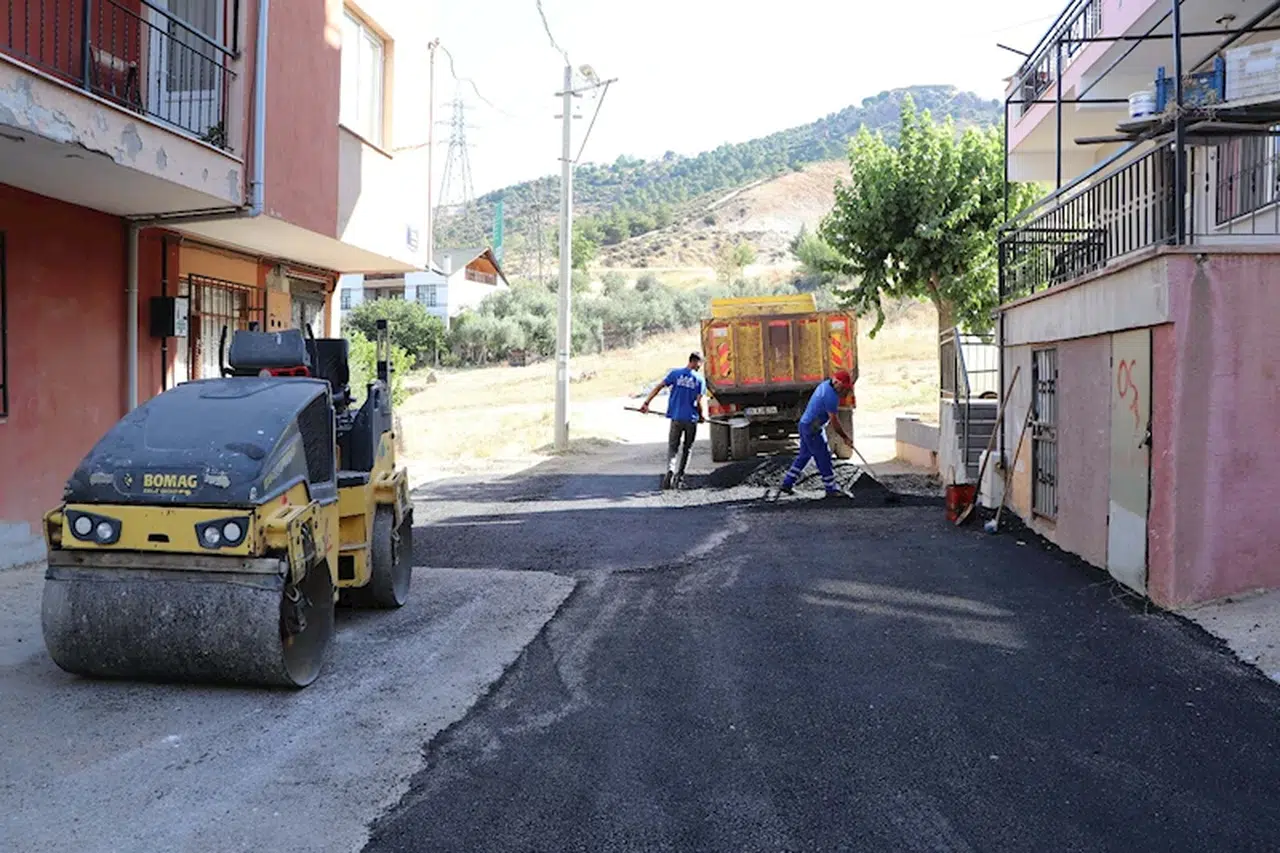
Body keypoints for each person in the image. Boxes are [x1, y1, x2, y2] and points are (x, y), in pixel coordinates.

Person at [779, 370, 855, 498]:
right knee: (823, 457)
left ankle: (787, 483)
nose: (843, 390)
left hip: (805, 424)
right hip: (812, 429)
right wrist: (845, 438)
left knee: (804, 455)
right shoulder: (831, 396)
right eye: (842, 387)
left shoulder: (825, 385)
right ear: (836, 382)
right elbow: (834, 421)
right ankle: (831, 488)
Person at [640, 353, 706, 489]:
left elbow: (659, 387)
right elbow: (699, 402)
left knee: (673, 447)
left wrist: (646, 403)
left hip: (676, 417)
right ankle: (679, 477)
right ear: (696, 362)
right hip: (691, 419)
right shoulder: (699, 379)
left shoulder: (675, 374)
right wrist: (701, 416)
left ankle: (670, 469)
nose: (700, 366)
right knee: (687, 448)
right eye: (700, 363)